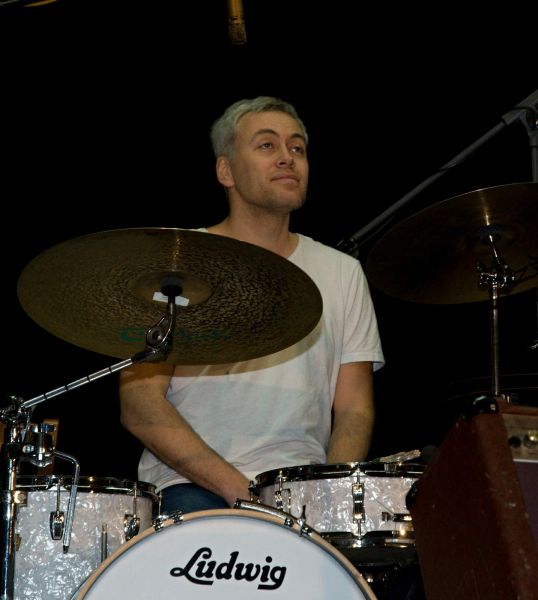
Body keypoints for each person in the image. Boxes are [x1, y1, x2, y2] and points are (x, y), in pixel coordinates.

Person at [119, 96, 385, 515]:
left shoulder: (342, 272)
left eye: (297, 148)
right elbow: (139, 403)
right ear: (225, 170)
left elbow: (354, 409)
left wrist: (326, 495)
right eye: (266, 145)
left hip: (300, 490)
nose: (287, 157)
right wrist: (244, 494)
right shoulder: (176, 263)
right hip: (191, 485)